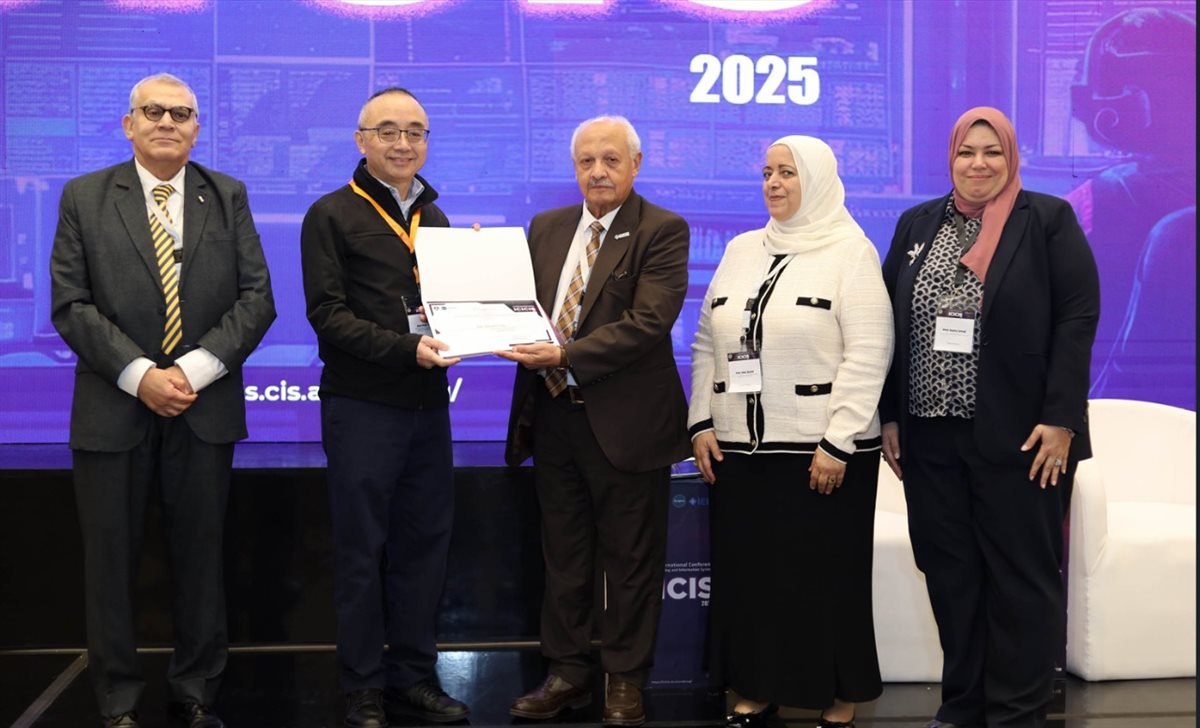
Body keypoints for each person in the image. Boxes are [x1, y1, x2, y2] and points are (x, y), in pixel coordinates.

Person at [49, 73, 276, 728]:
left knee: (201, 559)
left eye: (181, 113)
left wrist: (192, 372)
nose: (167, 123)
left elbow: (257, 299)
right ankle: (117, 699)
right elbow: (71, 303)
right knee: (109, 563)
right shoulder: (85, 196)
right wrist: (141, 374)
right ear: (129, 125)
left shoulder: (226, 194)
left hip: (203, 410)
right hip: (112, 407)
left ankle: (196, 691)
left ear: (197, 128)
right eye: (153, 111)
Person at [879, 107, 1100, 728]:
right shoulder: (917, 223)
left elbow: (1077, 317)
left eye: (992, 152)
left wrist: (1061, 418)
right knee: (950, 575)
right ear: (950, 158)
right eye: (966, 152)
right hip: (930, 436)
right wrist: (890, 415)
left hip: (1023, 437)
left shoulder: (1046, 219)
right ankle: (963, 705)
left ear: (1011, 157)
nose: (978, 164)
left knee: (1021, 579)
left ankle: (1017, 712)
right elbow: (888, 323)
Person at [688, 136, 893, 728]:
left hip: (823, 454)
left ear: (818, 180)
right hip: (741, 451)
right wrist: (700, 421)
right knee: (751, 580)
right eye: (767, 173)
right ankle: (757, 686)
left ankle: (839, 695)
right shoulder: (740, 249)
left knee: (824, 581)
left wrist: (838, 442)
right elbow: (705, 342)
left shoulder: (851, 252)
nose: (773, 183)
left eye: (788, 173)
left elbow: (869, 352)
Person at [498, 115, 691, 728]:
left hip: (626, 424)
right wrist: (473, 272)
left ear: (636, 164)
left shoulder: (661, 230)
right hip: (553, 417)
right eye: (586, 161)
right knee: (564, 557)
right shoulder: (547, 227)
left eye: (610, 160)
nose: (598, 172)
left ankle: (626, 680)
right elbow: (512, 302)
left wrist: (564, 356)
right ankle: (567, 673)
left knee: (631, 562)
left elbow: (647, 323)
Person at [300, 87, 469, 728]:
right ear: (361, 140)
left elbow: (446, 309)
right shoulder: (331, 214)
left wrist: (482, 285)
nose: (403, 143)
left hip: (428, 407)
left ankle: (414, 678)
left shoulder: (439, 220)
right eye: (388, 131)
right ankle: (363, 684)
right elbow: (328, 317)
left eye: (415, 131)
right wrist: (406, 349)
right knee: (362, 551)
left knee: (425, 547)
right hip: (363, 407)